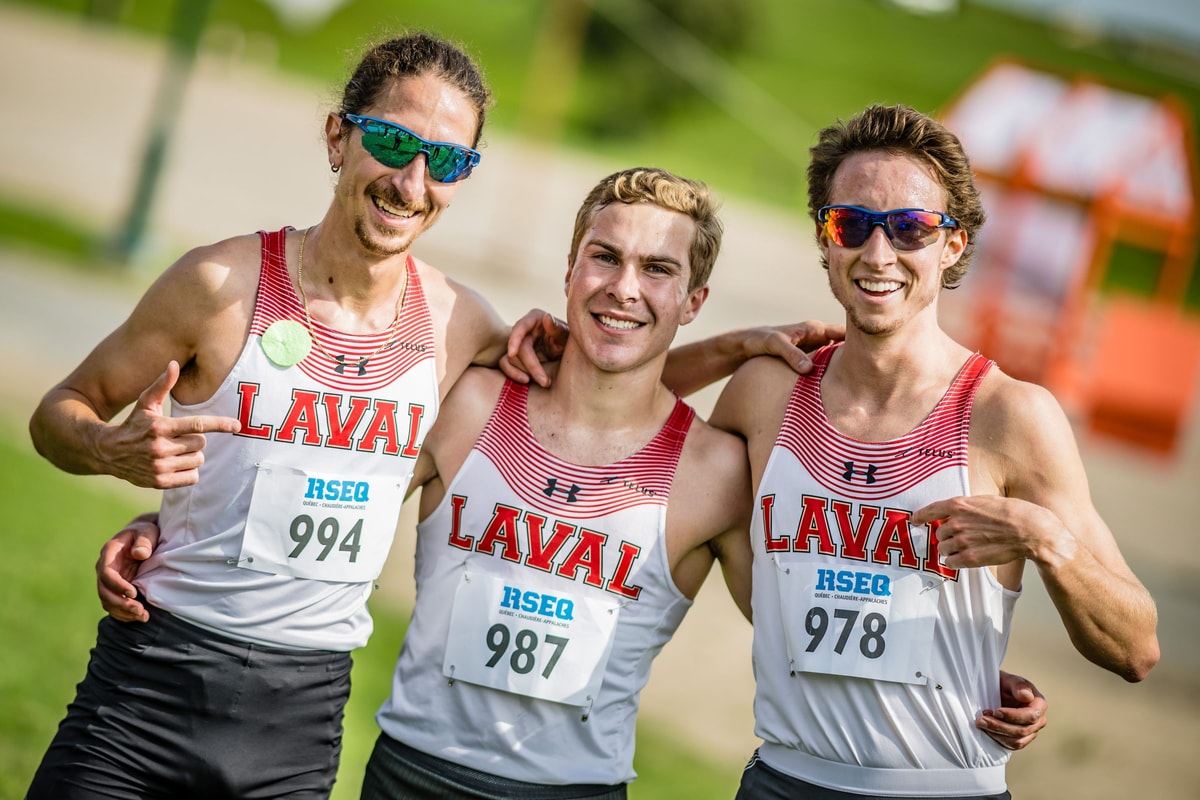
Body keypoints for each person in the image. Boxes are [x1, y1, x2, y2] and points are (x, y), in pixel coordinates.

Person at [26, 32, 831, 800]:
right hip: (149, 682)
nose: (411, 182)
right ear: (338, 137)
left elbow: (607, 387)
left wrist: (730, 348)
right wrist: (113, 454)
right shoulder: (220, 285)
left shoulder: (459, 326)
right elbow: (59, 416)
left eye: (443, 160)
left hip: (299, 722)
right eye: (392, 143)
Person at [98, 166, 1046, 800]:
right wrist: (171, 523)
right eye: (606, 256)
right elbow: (317, 478)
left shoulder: (715, 471)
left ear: (693, 298)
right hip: (409, 775)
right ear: (568, 267)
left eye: (657, 270)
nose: (624, 286)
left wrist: (958, 655)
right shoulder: (470, 405)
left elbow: (807, 605)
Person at [704, 103, 1160, 799]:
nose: (878, 255)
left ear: (953, 244)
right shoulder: (765, 392)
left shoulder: (1011, 415)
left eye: (910, 228)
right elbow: (630, 425)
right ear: (824, 237)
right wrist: (732, 345)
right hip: (782, 780)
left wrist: (1048, 542)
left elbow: (1136, 650)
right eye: (851, 223)